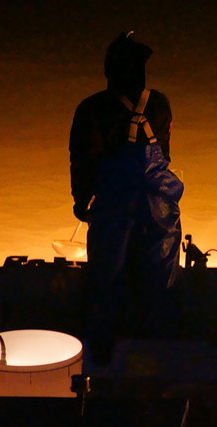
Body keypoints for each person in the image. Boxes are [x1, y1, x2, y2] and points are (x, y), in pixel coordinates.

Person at [69, 32, 184, 362]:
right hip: (158, 202)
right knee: (160, 273)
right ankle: (160, 351)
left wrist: (81, 202)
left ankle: (103, 354)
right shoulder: (160, 104)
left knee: (107, 275)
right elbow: (165, 154)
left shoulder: (92, 108)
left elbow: (82, 160)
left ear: (110, 71)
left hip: (114, 202)